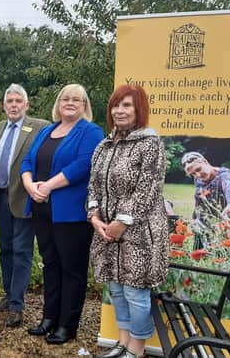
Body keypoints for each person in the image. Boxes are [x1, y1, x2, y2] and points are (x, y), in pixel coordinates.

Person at [88, 85, 168, 358]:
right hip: (107, 233)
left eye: (126, 106)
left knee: (136, 294)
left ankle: (137, 350)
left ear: (139, 110)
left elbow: (147, 189)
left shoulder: (150, 143)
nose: (119, 111)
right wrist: (95, 217)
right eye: (116, 105)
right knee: (117, 290)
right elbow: (93, 185)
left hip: (139, 234)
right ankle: (122, 344)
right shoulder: (104, 145)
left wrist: (122, 222)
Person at [21, 84, 103, 344]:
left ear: (84, 105)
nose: (70, 103)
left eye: (76, 99)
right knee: (50, 264)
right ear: (58, 103)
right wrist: (30, 185)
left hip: (70, 213)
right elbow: (27, 162)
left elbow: (83, 165)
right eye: (65, 98)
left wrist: (48, 186)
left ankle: (67, 326)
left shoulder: (91, 131)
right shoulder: (47, 130)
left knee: (72, 269)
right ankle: (49, 318)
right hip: (41, 208)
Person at [0, 84, 48, 328]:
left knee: (22, 250)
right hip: (1, 197)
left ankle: (17, 306)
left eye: (17, 101)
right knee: (5, 249)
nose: (13, 105)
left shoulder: (39, 126)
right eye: (9, 101)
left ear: (26, 105)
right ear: (3, 106)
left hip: (24, 198)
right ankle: (8, 293)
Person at [181, 151, 230, 250]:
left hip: (226, 217)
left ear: (205, 161)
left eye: (198, 169)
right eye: (193, 174)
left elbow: (229, 186)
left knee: (224, 250)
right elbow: (199, 198)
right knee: (200, 249)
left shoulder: (224, 174)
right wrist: (195, 217)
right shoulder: (198, 180)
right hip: (207, 218)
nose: (198, 175)